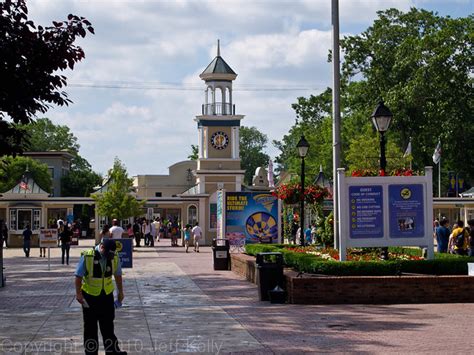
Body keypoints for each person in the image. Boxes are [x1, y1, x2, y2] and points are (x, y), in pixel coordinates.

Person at [75, 239, 127, 355]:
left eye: (112, 254)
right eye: (108, 254)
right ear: (102, 247)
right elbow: (78, 276)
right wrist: (78, 293)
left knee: (108, 327)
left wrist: (120, 292)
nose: (110, 257)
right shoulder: (88, 256)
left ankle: (113, 351)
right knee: (90, 329)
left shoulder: (114, 256)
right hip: (90, 298)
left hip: (107, 296)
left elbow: (118, 275)